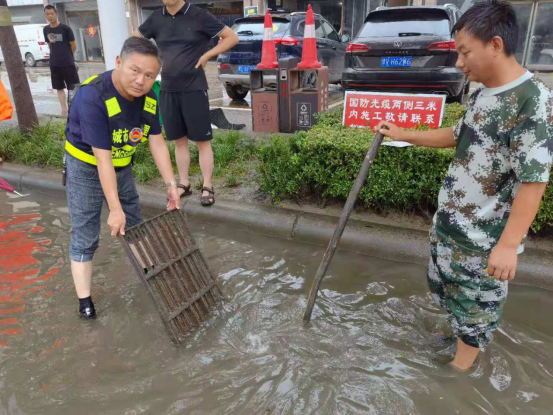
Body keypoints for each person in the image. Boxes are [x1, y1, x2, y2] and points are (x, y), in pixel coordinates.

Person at [376, 0, 553, 370]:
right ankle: (456, 347)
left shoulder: (532, 102)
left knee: (474, 314)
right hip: (452, 229)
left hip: (483, 242)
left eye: (464, 52)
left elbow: (533, 181)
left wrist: (507, 247)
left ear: (496, 45)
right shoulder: (482, 92)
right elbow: (458, 135)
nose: (459, 62)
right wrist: (404, 134)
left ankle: (455, 381)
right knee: (449, 295)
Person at [65, 37, 180, 319]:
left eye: (150, 75)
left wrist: (171, 185)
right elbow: (102, 157)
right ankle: (85, 303)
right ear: (119, 62)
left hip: (122, 164)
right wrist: (114, 209)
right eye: (135, 70)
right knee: (85, 234)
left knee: (134, 224)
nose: (141, 80)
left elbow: (156, 141)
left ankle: (148, 273)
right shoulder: (92, 95)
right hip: (86, 166)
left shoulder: (150, 97)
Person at [134, 0, 238, 206]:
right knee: (178, 141)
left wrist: (208, 54)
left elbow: (231, 37)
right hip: (167, 89)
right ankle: (184, 184)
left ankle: (207, 185)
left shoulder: (198, 15)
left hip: (194, 88)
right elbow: (135, 41)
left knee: (202, 141)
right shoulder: (156, 18)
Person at [43, 5, 80, 117]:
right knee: (59, 87)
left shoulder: (65, 29)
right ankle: (64, 110)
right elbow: (50, 45)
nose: (50, 16)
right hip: (54, 64)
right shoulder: (46, 29)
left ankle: (75, 109)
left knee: (73, 87)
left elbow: (73, 46)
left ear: (56, 14)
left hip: (67, 63)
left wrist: (67, 56)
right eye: (47, 14)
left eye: (52, 13)